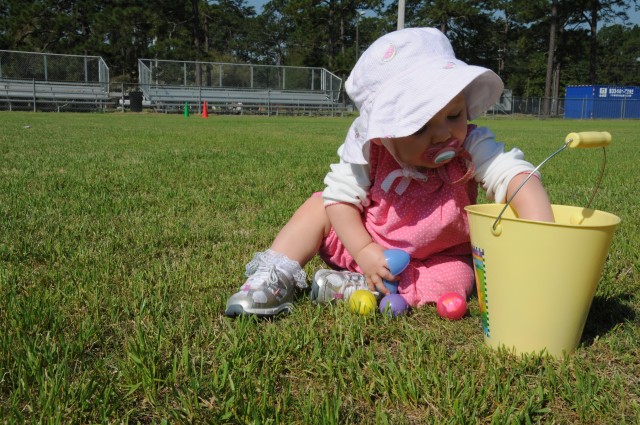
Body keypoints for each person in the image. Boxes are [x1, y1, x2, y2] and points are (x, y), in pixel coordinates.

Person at [224, 27, 554, 317]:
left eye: (454, 115)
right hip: (365, 243)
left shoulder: (472, 143)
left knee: (462, 277)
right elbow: (340, 200)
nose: (442, 134)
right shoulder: (372, 148)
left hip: (434, 259)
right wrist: (366, 252)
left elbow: (511, 174)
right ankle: (274, 273)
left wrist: (543, 232)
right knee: (319, 205)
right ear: (385, 132)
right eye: (420, 126)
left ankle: (364, 289)